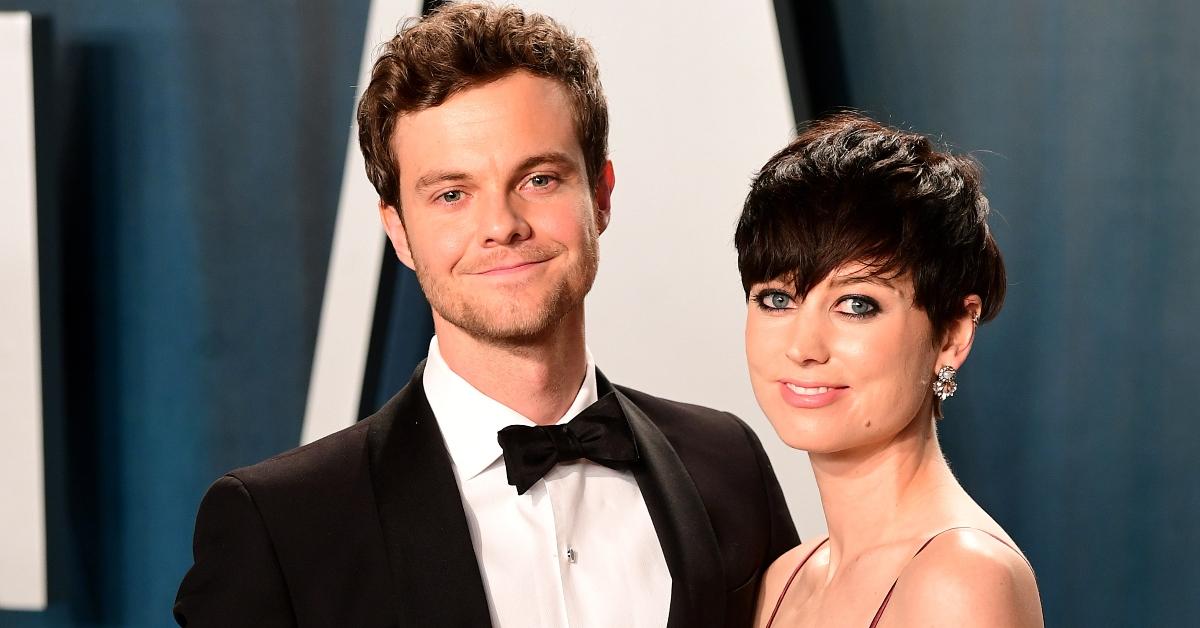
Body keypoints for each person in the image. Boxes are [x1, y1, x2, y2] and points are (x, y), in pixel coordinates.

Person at [173, 4, 797, 627]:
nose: (501, 225)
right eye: (452, 195)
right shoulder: (281, 529)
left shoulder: (727, 465)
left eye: (539, 179)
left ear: (601, 195)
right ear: (398, 231)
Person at [735, 113, 1043, 627]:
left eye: (856, 305)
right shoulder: (783, 581)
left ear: (952, 334)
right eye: (777, 298)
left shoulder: (961, 577)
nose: (804, 347)